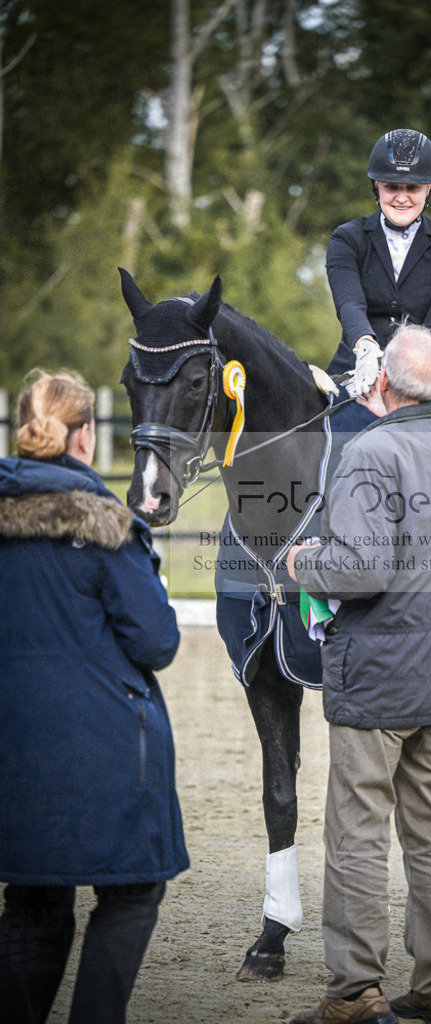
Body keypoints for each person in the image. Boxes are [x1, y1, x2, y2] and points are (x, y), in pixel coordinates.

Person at [286, 326, 431, 1024]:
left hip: (377, 674)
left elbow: (359, 570)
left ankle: (354, 991)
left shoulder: (370, 450)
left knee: (357, 834)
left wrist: (302, 563)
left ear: (384, 383)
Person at [0, 371, 188, 1024]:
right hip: (102, 743)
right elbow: (158, 640)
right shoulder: (106, 526)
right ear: (84, 438)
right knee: (133, 891)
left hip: (13, 745)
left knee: (32, 900)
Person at [325, 128, 431, 401]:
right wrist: (365, 346)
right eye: (391, 187)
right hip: (358, 365)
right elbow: (349, 304)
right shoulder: (346, 238)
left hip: (426, 370)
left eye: (413, 188)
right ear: (377, 186)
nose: (401, 198)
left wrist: (398, 370)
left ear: (428, 189)